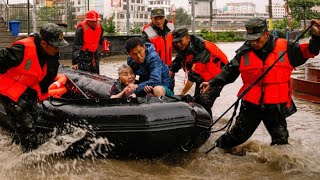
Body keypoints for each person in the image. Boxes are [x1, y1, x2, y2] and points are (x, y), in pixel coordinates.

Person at [200, 18, 320, 150]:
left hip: (275, 106)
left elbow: (310, 51)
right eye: (251, 39)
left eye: (257, 39)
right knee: (237, 136)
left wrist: (316, 36)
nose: (254, 43)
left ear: (266, 34)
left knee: (281, 142)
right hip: (251, 105)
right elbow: (229, 71)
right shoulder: (243, 52)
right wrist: (211, 83)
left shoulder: (286, 48)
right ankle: (216, 150)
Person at [0, 23, 69, 151]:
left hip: (28, 90)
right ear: (44, 44)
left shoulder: (52, 54)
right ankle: (29, 160)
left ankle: (17, 146)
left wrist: (42, 96)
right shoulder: (22, 49)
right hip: (10, 92)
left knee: (34, 119)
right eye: (56, 46)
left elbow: (48, 76)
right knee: (27, 127)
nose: (58, 49)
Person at [169, 27, 228, 115]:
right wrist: (169, 75)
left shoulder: (200, 49)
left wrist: (181, 95)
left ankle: (207, 127)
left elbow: (192, 78)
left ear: (188, 38)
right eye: (176, 42)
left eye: (180, 41)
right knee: (197, 101)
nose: (178, 44)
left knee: (203, 104)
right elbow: (176, 63)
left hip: (216, 78)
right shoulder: (184, 48)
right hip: (203, 77)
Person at [72, 10, 104, 74]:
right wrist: (75, 63)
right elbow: (76, 46)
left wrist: (104, 42)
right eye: (92, 22)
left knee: (96, 74)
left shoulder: (99, 27)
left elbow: (99, 39)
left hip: (94, 55)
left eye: (96, 21)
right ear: (88, 21)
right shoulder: (81, 30)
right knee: (85, 75)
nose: (95, 23)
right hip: (83, 55)